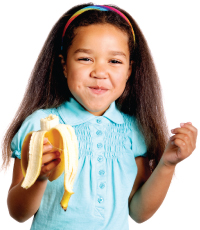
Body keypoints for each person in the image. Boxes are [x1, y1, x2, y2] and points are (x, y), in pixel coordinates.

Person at [1, 3, 197, 230]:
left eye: (114, 61)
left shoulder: (135, 131)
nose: (99, 72)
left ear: (129, 71)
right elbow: (17, 214)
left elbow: (138, 213)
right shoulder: (38, 126)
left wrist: (167, 163)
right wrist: (39, 177)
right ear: (64, 65)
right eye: (85, 59)